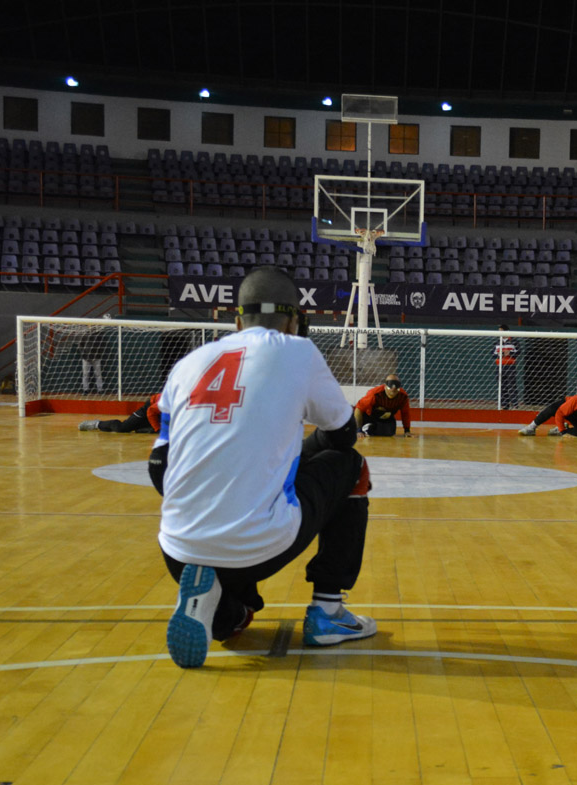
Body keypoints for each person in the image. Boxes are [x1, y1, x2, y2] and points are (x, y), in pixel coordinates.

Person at [150, 265, 375, 668]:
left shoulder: (189, 363)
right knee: (352, 467)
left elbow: (158, 467)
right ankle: (329, 612)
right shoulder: (298, 351)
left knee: (231, 623)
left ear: (236, 320)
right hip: (258, 547)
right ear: (294, 321)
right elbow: (344, 436)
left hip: (178, 547)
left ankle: (221, 609)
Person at [78, 393, 162, 433]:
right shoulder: (168, 401)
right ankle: (97, 424)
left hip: (157, 413)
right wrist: (157, 429)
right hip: (146, 412)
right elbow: (150, 412)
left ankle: (142, 429)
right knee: (122, 428)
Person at [494, 324, 520, 409]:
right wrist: (501, 354)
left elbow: (518, 352)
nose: (499, 333)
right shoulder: (497, 342)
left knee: (512, 385)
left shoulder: (514, 341)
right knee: (502, 385)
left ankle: (515, 404)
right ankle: (504, 404)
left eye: (501, 331)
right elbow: (493, 354)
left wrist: (509, 353)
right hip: (499, 366)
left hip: (510, 366)